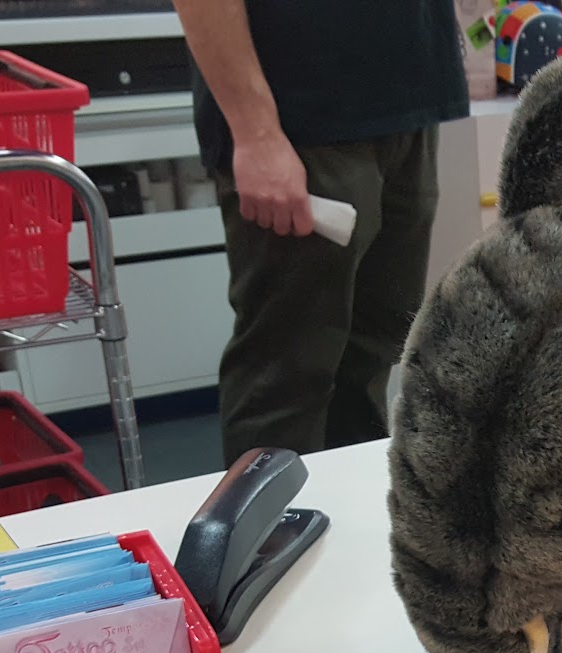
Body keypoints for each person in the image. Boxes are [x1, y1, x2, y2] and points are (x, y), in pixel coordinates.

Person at [177, 0, 469, 464]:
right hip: (301, 114)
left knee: (372, 354)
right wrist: (255, 133)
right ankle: (271, 514)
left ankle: (349, 509)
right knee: (286, 372)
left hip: (406, 100)